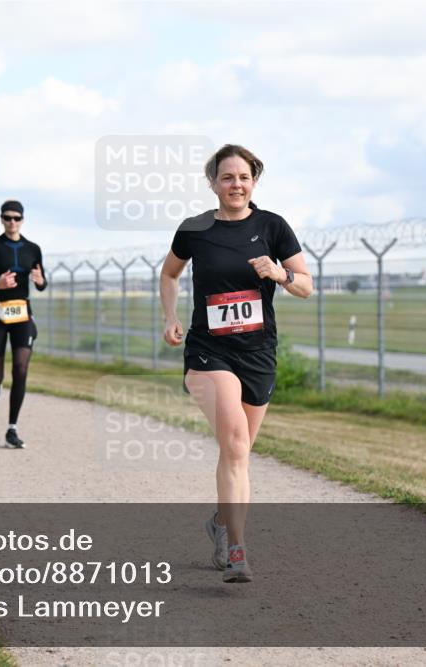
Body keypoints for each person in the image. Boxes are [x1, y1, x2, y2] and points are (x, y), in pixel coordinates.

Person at [160, 144, 313, 583]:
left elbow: (306, 285)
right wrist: (170, 318)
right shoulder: (194, 230)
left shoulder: (273, 227)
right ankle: (237, 552)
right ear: (212, 184)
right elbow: (169, 274)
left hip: (259, 353)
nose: (236, 185)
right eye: (227, 178)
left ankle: (222, 524)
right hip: (210, 352)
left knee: (239, 452)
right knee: (236, 445)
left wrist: (280, 275)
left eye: (243, 177)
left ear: (254, 181)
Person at [0, 200, 46, 448]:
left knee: (21, 369)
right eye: (7, 218)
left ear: (23, 220)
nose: (12, 222)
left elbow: (41, 282)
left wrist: (40, 281)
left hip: (22, 313)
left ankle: (12, 428)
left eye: (16, 218)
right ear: (1, 220)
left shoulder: (33, 249)